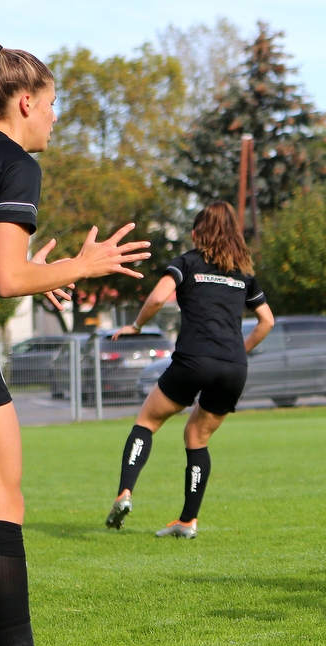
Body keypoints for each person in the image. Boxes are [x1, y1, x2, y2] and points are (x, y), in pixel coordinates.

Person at [0, 39, 151, 646]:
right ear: (25, 101)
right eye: (55, 104)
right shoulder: (16, 163)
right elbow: (8, 279)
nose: (56, 118)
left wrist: (38, 271)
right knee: (0, 505)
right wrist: (85, 265)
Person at [105, 201, 273, 539]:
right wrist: (237, 352)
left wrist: (137, 326)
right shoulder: (244, 274)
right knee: (197, 438)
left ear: (197, 234)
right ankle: (187, 521)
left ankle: (124, 493)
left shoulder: (186, 263)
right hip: (233, 367)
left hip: (193, 360)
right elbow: (266, 321)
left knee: (147, 421)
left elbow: (156, 299)